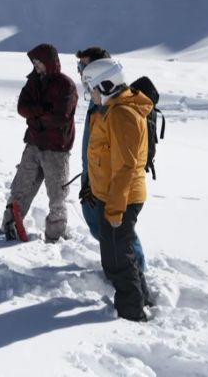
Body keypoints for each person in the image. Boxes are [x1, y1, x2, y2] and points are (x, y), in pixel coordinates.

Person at [81, 58, 153, 321]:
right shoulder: (112, 108)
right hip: (108, 194)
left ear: (107, 84)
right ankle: (141, 297)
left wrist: (114, 207)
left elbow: (125, 166)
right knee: (112, 255)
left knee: (119, 258)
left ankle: (132, 311)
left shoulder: (123, 114)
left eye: (92, 87)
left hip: (122, 196)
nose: (90, 93)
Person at [76, 48, 147, 273]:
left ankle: (136, 272)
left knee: (120, 236)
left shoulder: (112, 106)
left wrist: (115, 204)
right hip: (96, 178)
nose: (80, 72)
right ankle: (119, 267)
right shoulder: (96, 99)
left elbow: (124, 162)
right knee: (102, 231)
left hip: (113, 186)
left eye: (84, 67)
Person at [1, 43, 78, 242]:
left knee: (57, 193)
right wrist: (43, 111)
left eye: (39, 62)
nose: (36, 65)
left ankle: (56, 233)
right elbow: (22, 108)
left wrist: (36, 116)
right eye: (34, 62)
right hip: (34, 143)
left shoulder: (66, 85)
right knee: (21, 186)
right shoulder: (33, 82)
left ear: (50, 62)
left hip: (56, 148)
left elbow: (60, 117)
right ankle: (9, 223)